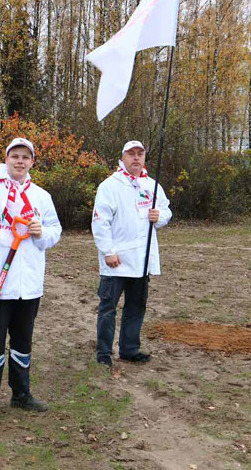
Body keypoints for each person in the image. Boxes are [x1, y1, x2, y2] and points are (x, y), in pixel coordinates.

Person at [0, 138, 62, 420]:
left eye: (25, 157)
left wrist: (41, 232)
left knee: (23, 341)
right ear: (6, 159)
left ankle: (21, 394)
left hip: (29, 286)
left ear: (32, 162)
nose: (20, 161)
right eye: (15, 156)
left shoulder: (41, 196)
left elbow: (55, 231)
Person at [91, 141, 172, 366]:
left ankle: (129, 348)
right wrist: (108, 251)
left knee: (136, 307)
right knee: (108, 308)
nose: (136, 158)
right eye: (131, 154)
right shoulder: (110, 186)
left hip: (142, 260)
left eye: (140, 154)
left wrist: (159, 216)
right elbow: (100, 222)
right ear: (123, 157)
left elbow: (166, 210)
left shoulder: (151, 185)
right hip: (116, 260)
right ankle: (103, 353)